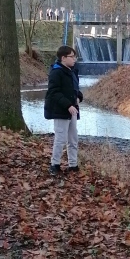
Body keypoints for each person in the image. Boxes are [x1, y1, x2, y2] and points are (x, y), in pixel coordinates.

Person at [44, 45, 83, 174]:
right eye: (72, 57)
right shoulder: (56, 72)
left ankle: (73, 165)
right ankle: (54, 165)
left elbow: (75, 89)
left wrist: (79, 97)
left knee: (73, 139)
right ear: (63, 58)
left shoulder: (72, 71)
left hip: (73, 110)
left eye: (75, 57)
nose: (74, 59)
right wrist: (68, 105)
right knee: (60, 139)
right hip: (60, 111)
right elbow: (54, 92)